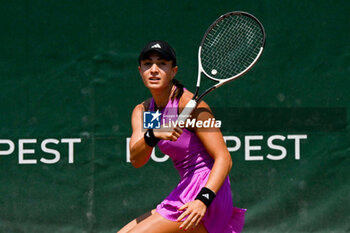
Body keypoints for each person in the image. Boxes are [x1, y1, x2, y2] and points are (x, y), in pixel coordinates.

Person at [118, 40, 246, 233]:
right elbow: (137, 159)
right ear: (140, 71)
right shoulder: (146, 111)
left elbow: (224, 158)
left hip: (208, 192)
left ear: (173, 71)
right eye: (147, 64)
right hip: (185, 188)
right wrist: (154, 134)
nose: (154, 69)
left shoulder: (190, 106)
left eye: (162, 63)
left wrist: (203, 200)